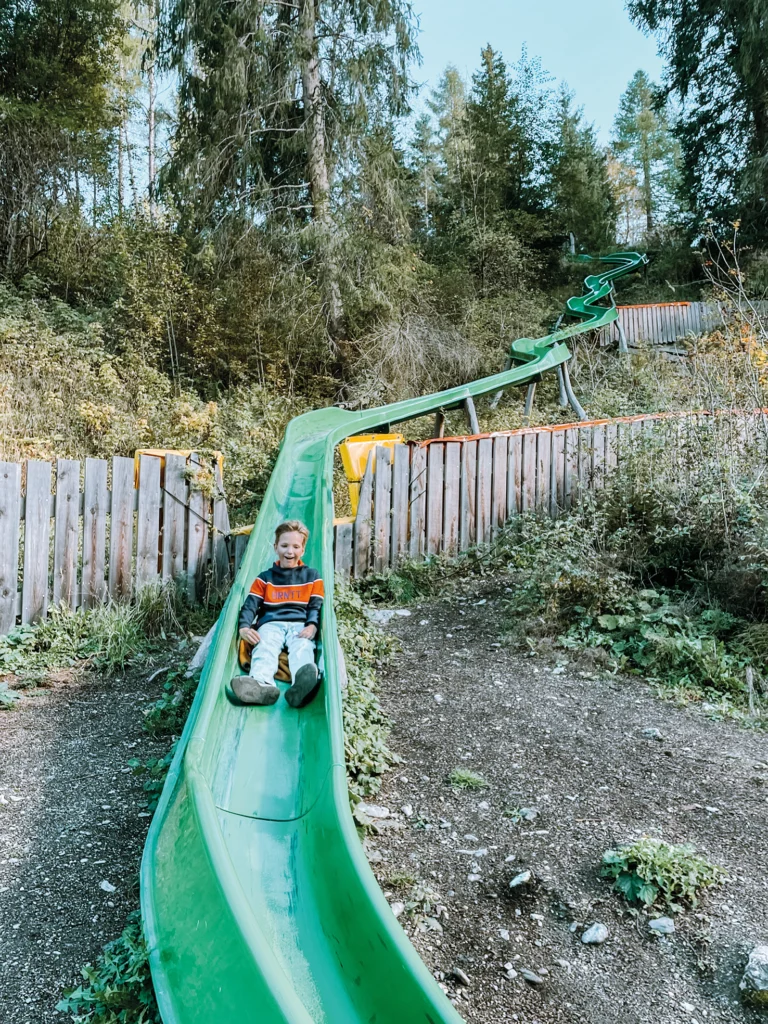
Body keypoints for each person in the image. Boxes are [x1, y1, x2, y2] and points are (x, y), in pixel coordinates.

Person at [231, 520, 323, 708]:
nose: (290, 551)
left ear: (303, 550)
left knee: (302, 646)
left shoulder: (312, 576)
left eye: (295, 547)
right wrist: (244, 627)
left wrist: (312, 625)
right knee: (265, 645)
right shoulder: (265, 578)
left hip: (299, 624)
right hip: (271, 623)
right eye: (284, 545)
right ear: (275, 547)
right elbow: (250, 605)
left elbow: (315, 605)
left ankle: (301, 686)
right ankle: (261, 685)